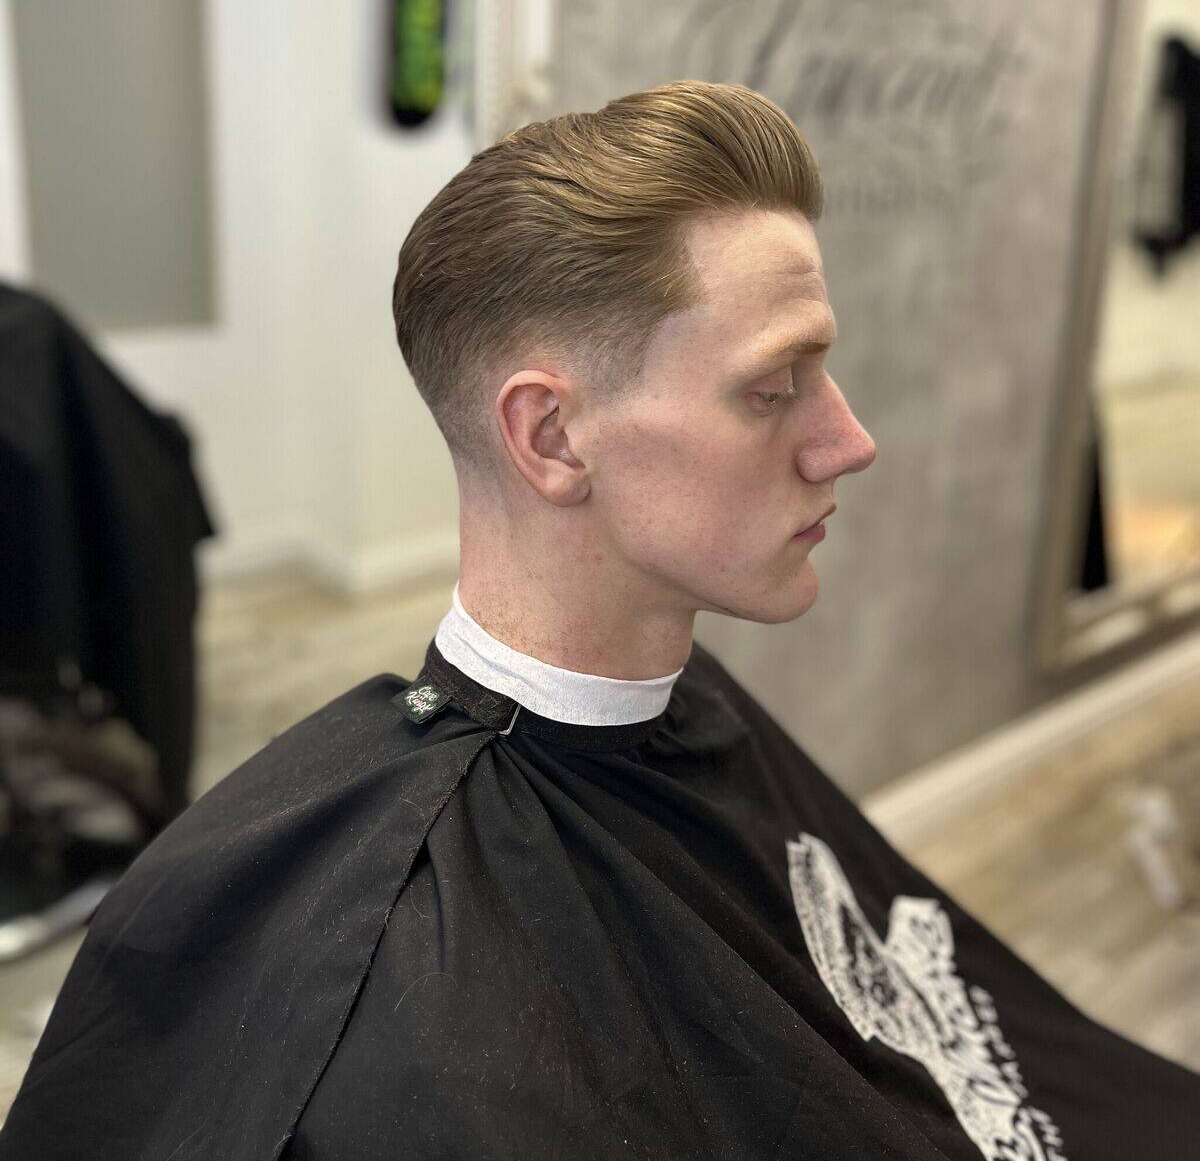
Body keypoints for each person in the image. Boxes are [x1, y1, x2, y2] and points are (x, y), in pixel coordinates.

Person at [3, 80, 1198, 1159]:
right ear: (553, 436)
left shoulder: (696, 703)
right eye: (772, 387)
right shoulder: (418, 1009)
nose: (849, 440)